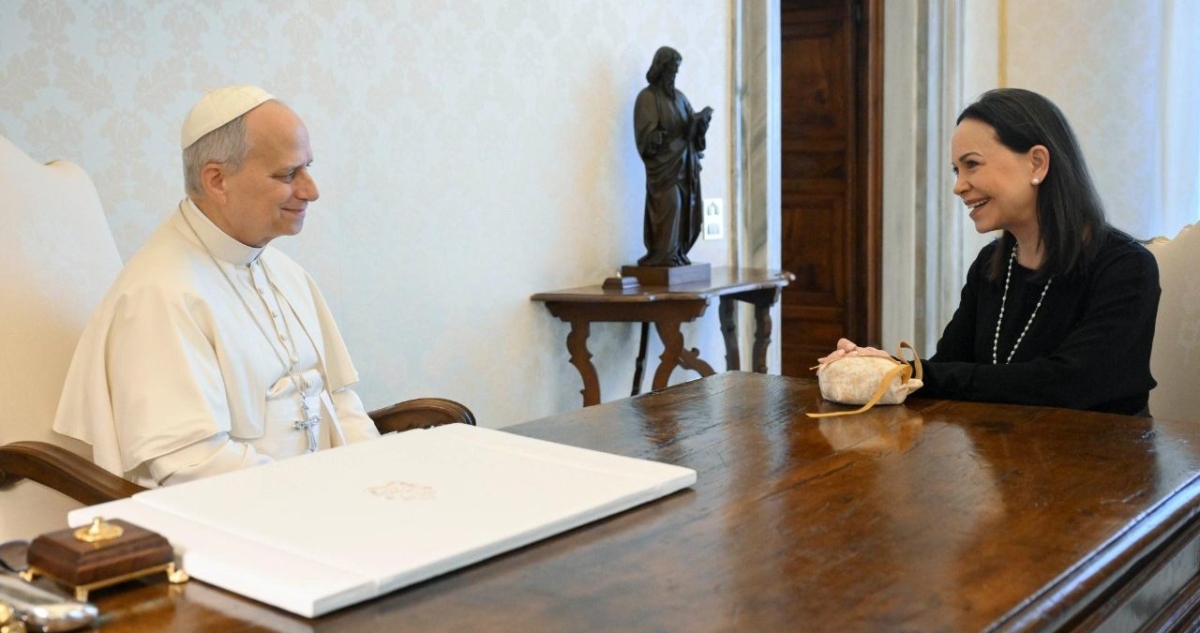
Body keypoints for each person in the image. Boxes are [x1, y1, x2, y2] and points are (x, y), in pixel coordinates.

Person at [53, 85, 380, 486]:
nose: (311, 191)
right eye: (288, 174)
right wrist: (312, 495)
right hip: (238, 510)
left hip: (319, 498)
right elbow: (192, 463)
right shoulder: (160, 294)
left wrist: (376, 477)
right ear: (217, 180)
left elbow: (339, 401)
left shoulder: (286, 273)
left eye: (308, 167)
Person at [822, 88, 1159, 416]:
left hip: (1101, 451)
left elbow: (1068, 384)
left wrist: (909, 372)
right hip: (1000, 449)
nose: (958, 186)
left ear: (1037, 164)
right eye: (957, 170)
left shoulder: (1127, 267)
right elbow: (947, 369)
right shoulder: (991, 264)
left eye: (972, 164)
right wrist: (877, 369)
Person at [633, 46, 713, 267]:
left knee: (687, 210)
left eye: (676, 71)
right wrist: (653, 138)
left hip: (685, 166)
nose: (674, 75)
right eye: (671, 70)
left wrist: (701, 127)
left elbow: (691, 130)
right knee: (672, 204)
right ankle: (663, 255)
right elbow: (644, 136)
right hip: (664, 170)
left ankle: (677, 253)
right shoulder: (647, 98)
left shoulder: (680, 98)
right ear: (660, 68)